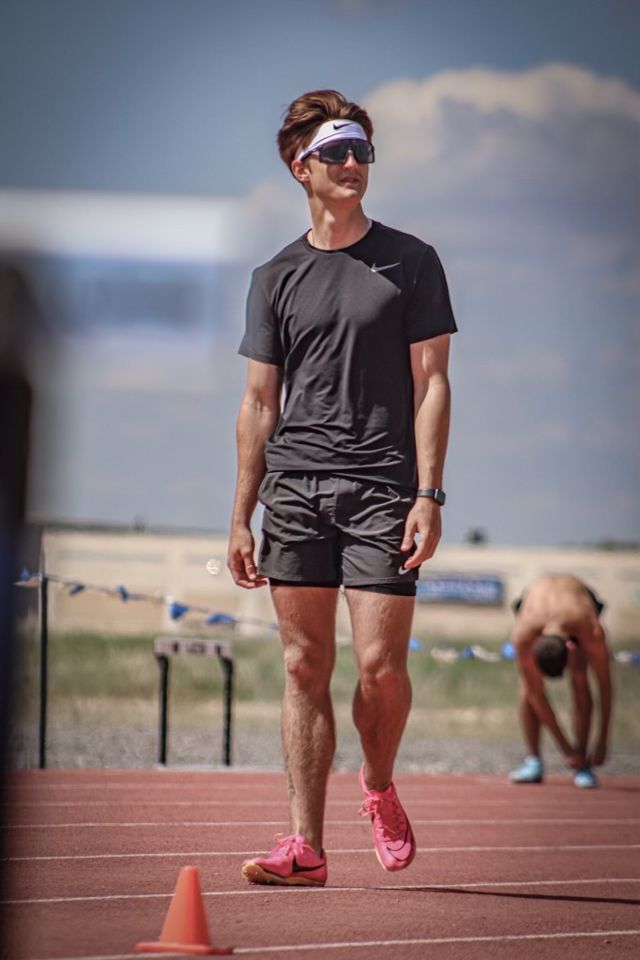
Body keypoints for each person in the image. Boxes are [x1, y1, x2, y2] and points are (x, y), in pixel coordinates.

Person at [227, 89, 456, 886]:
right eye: (336, 152)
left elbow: (433, 383)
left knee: (381, 667)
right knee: (302, 666)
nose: (353, 163)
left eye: (361, 150)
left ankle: (378, 784)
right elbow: (259, 404)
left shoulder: (412, 261)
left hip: (383, 489)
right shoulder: (274, 276)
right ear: (303, 168)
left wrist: (429, 495)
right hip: (293, 488)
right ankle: (305, 847)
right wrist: (241, 515)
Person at [509, 574, 612, 789]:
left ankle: (583, 763)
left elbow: (605, 685)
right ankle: (534, 759)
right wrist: (566, 749)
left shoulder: (590, 630)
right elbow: (535, 693)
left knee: (580, 678)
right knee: (528, 687)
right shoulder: (523, 635)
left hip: (579, 599)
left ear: (570, 647)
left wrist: (602, 740)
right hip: (534, 597)